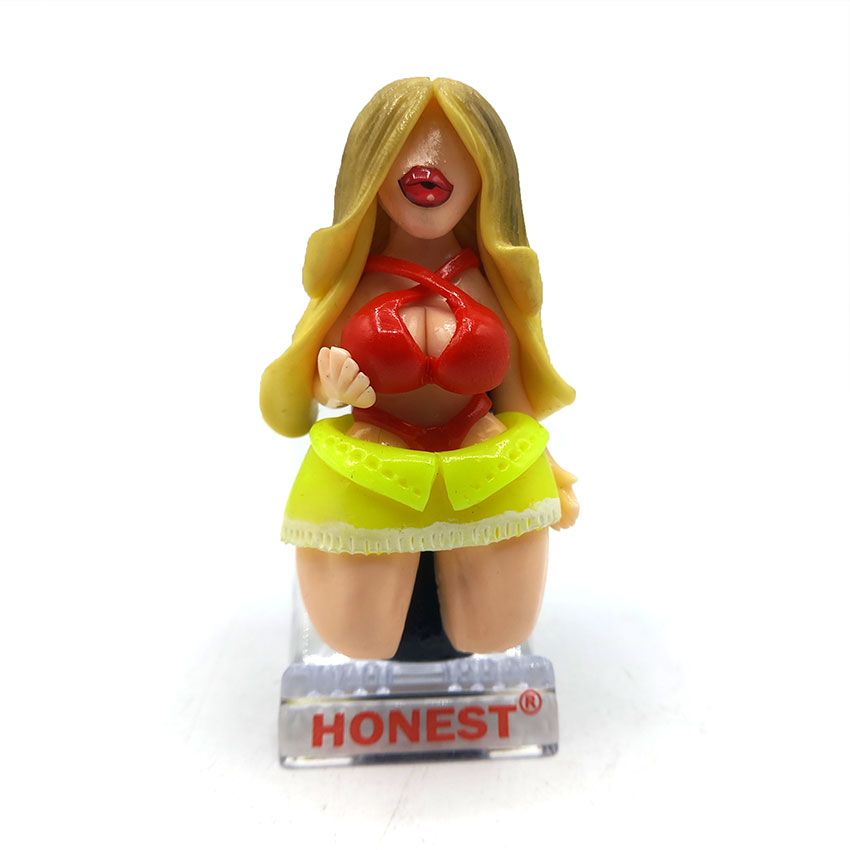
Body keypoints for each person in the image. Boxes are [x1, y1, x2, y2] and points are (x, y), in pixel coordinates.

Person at [261, 78, 578, 659]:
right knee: (359, 632)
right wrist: (334, 384)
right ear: (372, 173)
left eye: (455, 156)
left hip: (480, 446)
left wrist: (547, 464)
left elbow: (513, 396)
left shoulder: (486, 282)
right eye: (403, 156)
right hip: (377, 449)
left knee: (495, 628)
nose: (428, 165)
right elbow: (321, 377)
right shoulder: (353, 286)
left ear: (486, 176)